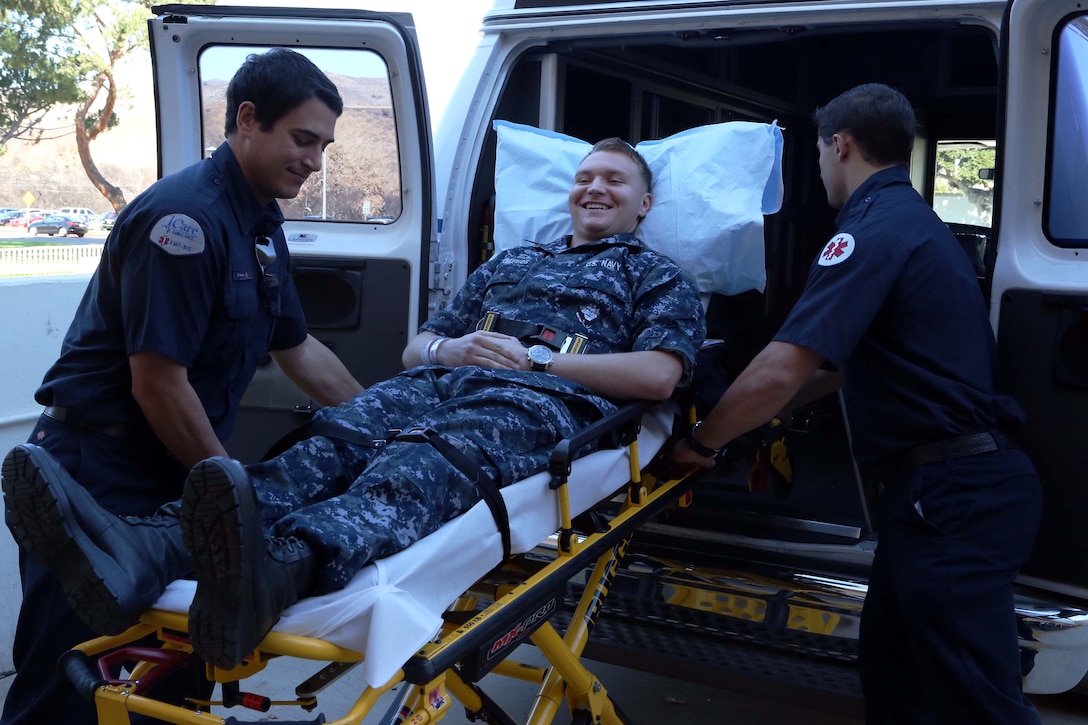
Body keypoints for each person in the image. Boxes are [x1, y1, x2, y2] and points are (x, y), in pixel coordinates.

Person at [4, 138, 705, 672]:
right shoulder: (510, 262)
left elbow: (659, 376)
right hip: (439, 381)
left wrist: (542, 360)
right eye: (583, 177)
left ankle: (283, 563)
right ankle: (153, 545)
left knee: (420, 466)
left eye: (613, 180)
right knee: (329, 440)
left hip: (538, 400)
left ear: (645, 205)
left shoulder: (655, 276)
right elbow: (417, 345)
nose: (593, 188)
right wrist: (446, 351)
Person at [1, 48, 364, 725]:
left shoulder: (259, 227)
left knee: (171, 679)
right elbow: (158, 384)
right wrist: (231, 505)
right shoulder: (185, 221)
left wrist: (379, 422)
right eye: (304, 139)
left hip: (170, 471)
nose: (315, 160)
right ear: (248, 119)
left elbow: (300, 349)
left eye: (324, 145)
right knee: (74, 671)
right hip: (94, 472)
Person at [671, 83, 1042, 723]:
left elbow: (781, 366)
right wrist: (778, 415)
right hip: (941, 495)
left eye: (817, 155)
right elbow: (843, 367)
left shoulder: (869, 232)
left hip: (951, 498)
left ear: (839, 145)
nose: (819, 171)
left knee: (977, 701)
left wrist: (703, 443)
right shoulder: (917, 223)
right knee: (896, 677)